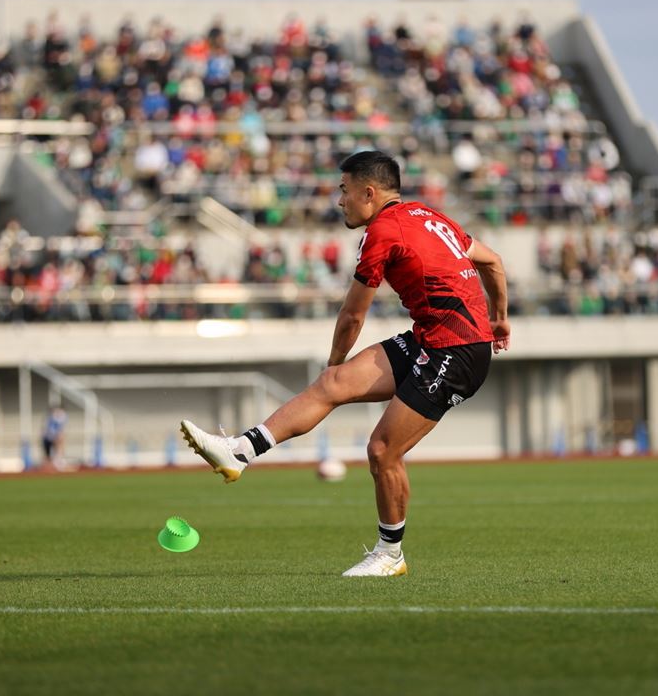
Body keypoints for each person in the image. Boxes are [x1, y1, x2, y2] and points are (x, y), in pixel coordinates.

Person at [177, 150, 511, 576]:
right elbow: (493, 262)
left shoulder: (383, 232)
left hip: (457, 353)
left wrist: (335, 359)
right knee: (331, 387)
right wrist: (499, 318)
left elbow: (354, 314)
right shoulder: (430, 216)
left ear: (368, 193)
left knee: (382, 451)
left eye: (344, 191)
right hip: (434, 340)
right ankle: (238, 451)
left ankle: (390, 556)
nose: (340, 201)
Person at [42, 403, 67, 470]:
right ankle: (50, 465)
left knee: (59, 446)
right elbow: (48, 428)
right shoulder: (51, 417)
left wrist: (59, 435)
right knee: (48, 453)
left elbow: (60, 428)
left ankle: (58, 461)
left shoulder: (62, 416)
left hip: (53, 436)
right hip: (48, 437)